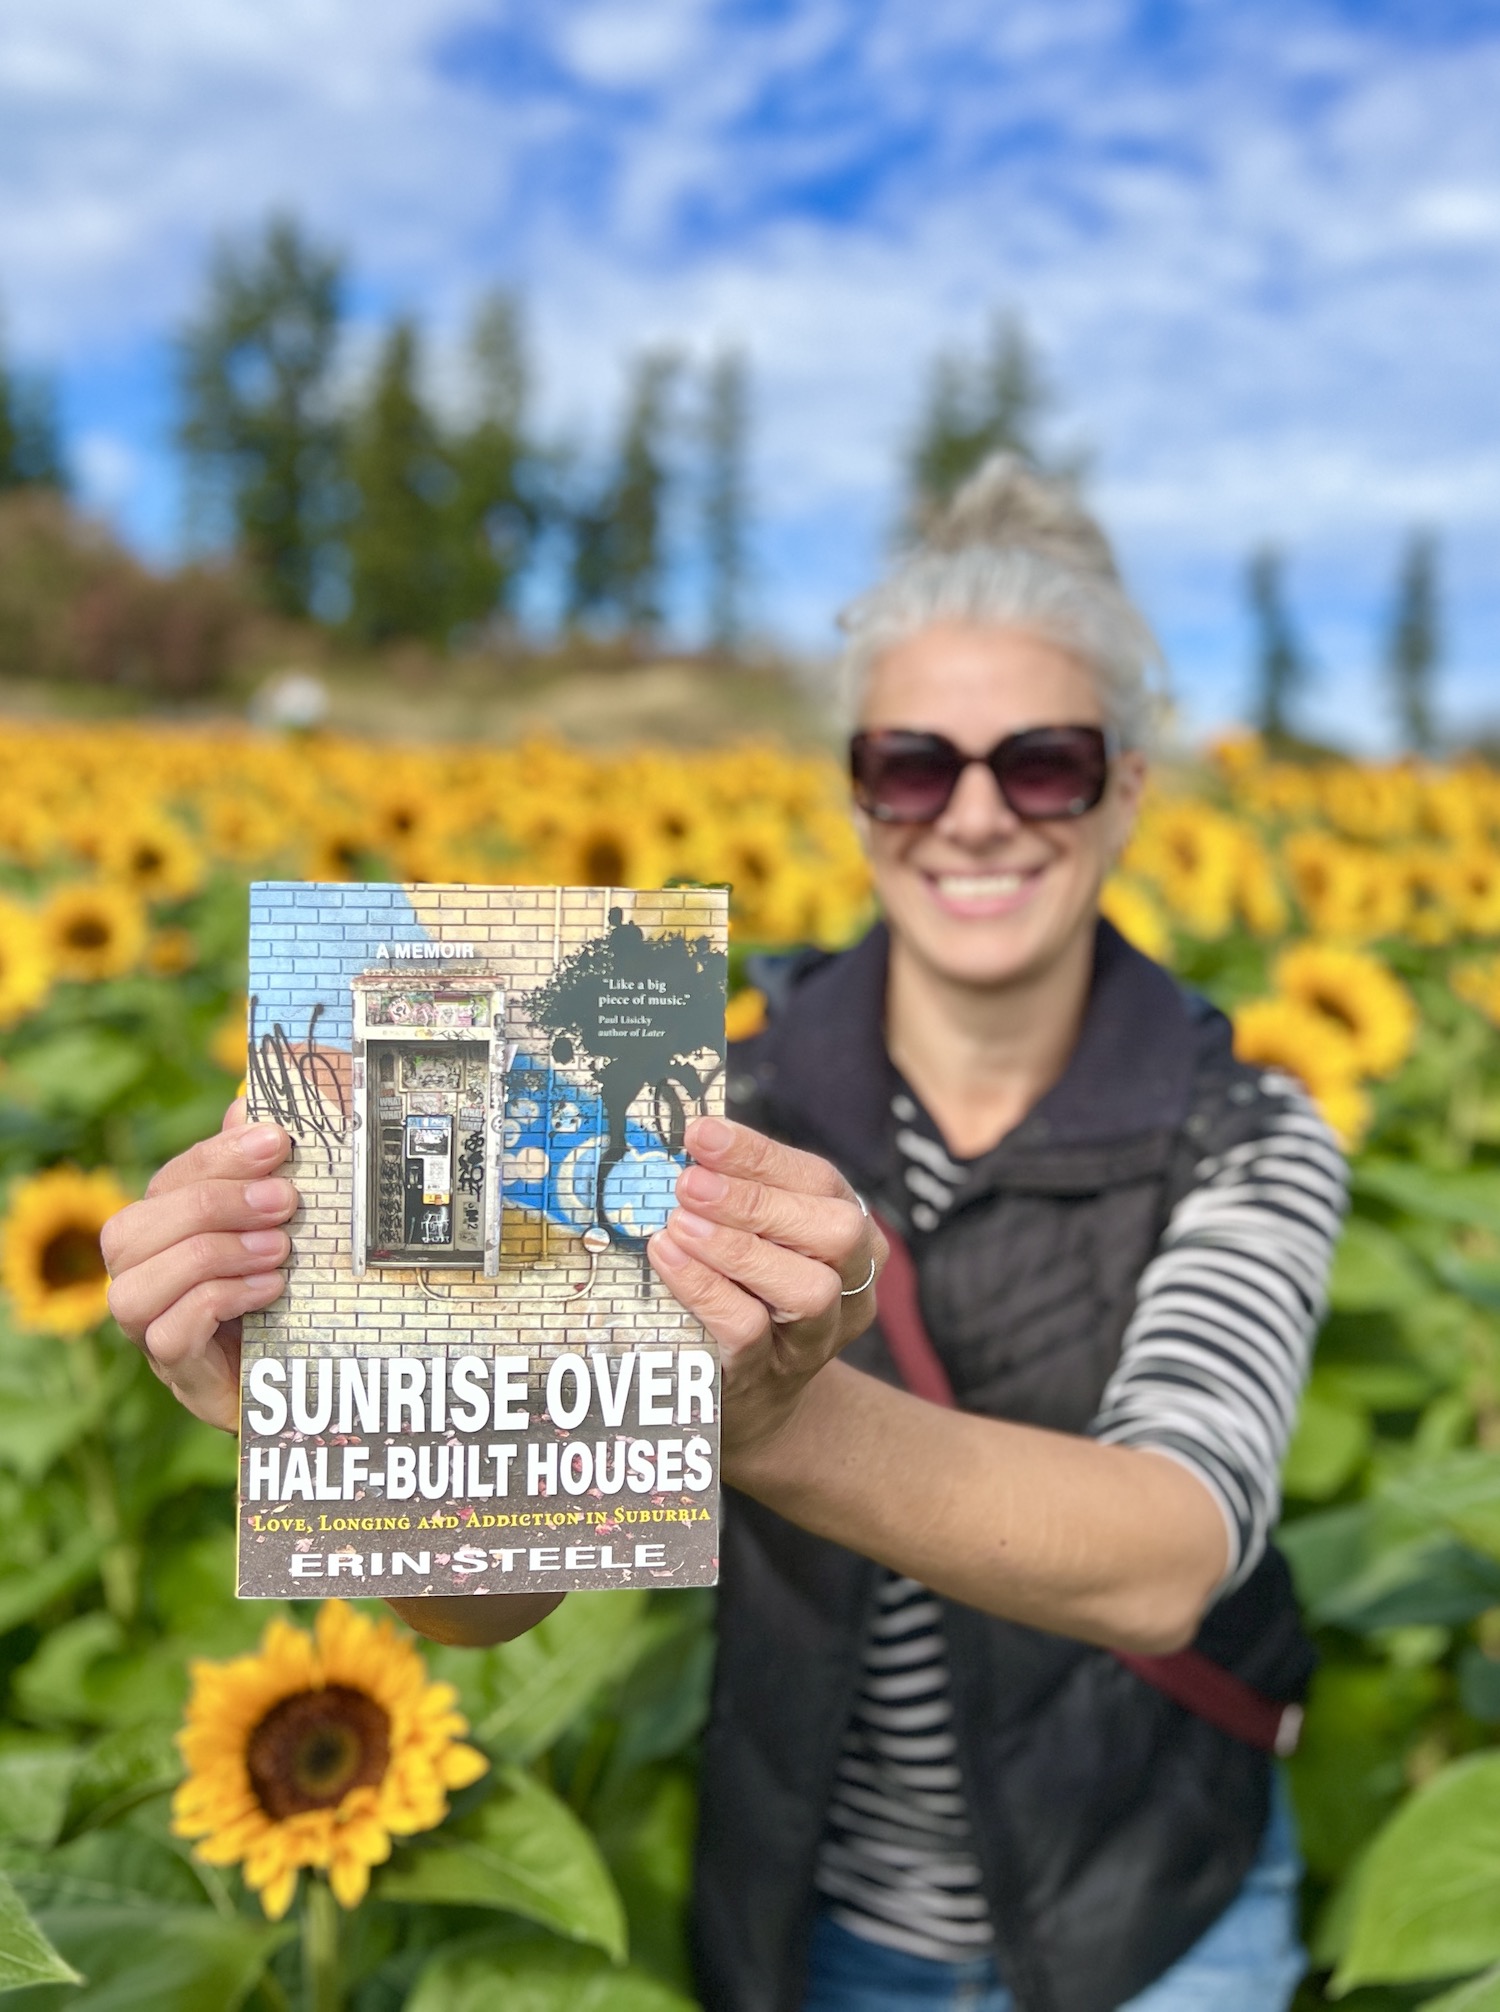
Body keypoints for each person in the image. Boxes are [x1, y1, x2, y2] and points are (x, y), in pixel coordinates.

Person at [101, 456, 1345, 2012]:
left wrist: (758, 1423)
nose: (973, 817)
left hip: (1157, 1912)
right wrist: (335, 1400)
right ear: (853, 788)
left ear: (1128, 788)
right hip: (812, 1920)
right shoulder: (701, 1084)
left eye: (1042, 764)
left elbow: (1170, 1554)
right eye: (913, 765)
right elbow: (500, 1596)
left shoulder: (1243, 1126)